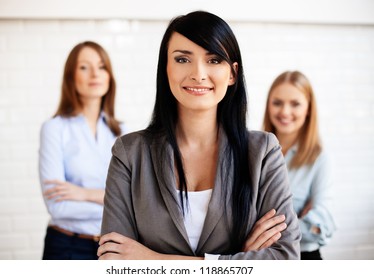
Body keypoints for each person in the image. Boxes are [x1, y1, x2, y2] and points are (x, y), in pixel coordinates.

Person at [98, 11, 301, 260]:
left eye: (214, 60)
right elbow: (114, 262)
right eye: (182, 59)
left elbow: (285, 259)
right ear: (166, 68)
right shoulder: (129, 153)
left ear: (232, 74)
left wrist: (156, 259)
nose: (198, 73)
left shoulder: (263, 152)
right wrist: (241, 259)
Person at [39, 41, 126, 259]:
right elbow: (58, 207)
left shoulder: (122, 132)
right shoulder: (54, 129)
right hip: (66, 246)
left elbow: (133, 200)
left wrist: (84, 194)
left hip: (113, 248)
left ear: (109, 76)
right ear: (71, 77)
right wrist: (113, 202)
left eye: (101, 66)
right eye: (84, 67)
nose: (95, 74)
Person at [262, 70, 336, 259]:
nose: (285, 112)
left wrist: (266, 229)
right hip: (261, 258)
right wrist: (298, 220)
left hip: (304, 258)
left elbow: (324, 224)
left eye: (295, 104)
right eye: (277, 102)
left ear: (308, 108)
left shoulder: (319, 159)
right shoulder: (253, 151)